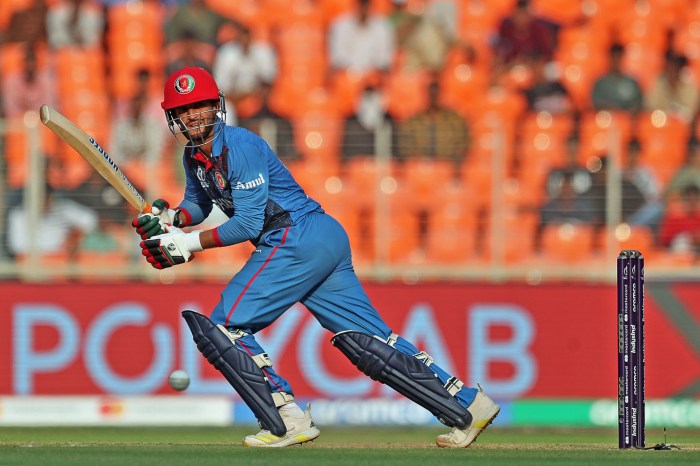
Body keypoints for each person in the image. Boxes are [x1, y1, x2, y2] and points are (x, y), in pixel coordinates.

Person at [131, 66, 499, 448]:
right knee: (367, 341)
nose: (192, 115)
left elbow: (247, 223)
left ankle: (286, 420)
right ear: (173, 116)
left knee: (225, 326)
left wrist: (187, 245)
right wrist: (172, 218)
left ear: (216, 106)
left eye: (200, 106)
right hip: (318, 237)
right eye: (184, 109)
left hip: (296, 235)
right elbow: (199, 203)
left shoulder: (241, 146)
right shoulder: (194, 157)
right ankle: (469, 405)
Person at [396, 77, 469, 165]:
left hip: (447, 168)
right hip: (420, 169)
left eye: (436, 91)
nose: (433, 95)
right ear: (425, 93)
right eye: (430, 91)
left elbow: (463, 145)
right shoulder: (413, 121)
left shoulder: (454, 120)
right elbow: (405, 147)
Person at [645, 50, 699, 124]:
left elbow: (690, 113)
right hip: (661, 124)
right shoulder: (659, 81)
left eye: (676, 65)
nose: (672, 68)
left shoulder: (689, 84)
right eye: (669, 64)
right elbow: (650, 107)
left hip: (683, 127)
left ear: (680, 68)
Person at [591, 43, 643, 114]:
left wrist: (626, 113)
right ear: (609, 58)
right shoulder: (600, 83)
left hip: (627, 122)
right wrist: (616, 110)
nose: (616, 61)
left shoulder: (632, 82)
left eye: (618, 57)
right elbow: (597, 104)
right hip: (606, 121)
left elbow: (638, 104)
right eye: (614, 57)